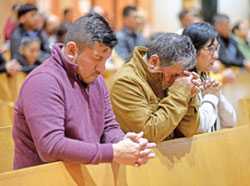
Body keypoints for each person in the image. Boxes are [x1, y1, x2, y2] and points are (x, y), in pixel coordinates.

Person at [12, 13, 156, 170]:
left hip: (85, 175)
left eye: (105, 60)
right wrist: (113, 152)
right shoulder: (43, 81)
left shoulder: (96, 79)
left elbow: (108, 127)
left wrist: (123, 143)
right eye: (96, 59)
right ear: (72, 50)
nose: (102, 69)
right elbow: (51, 147)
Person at [108, 33, 201, 143]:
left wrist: (189, 97)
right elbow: (149, 135)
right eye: (174, 75)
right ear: (154, 61)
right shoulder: (125, 82)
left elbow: (188, 132)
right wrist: (180, 93)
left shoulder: (171, 80)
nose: (176, 81)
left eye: (182, 75)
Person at [183, 22, 236, 133]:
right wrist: (211, 97)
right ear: (192, 50)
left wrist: (217, 95)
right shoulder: (183, 82)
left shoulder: (204, 78)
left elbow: (231, 121)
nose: (216, 55)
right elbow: (198, 127)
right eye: (211, 49)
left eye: (217, 49)